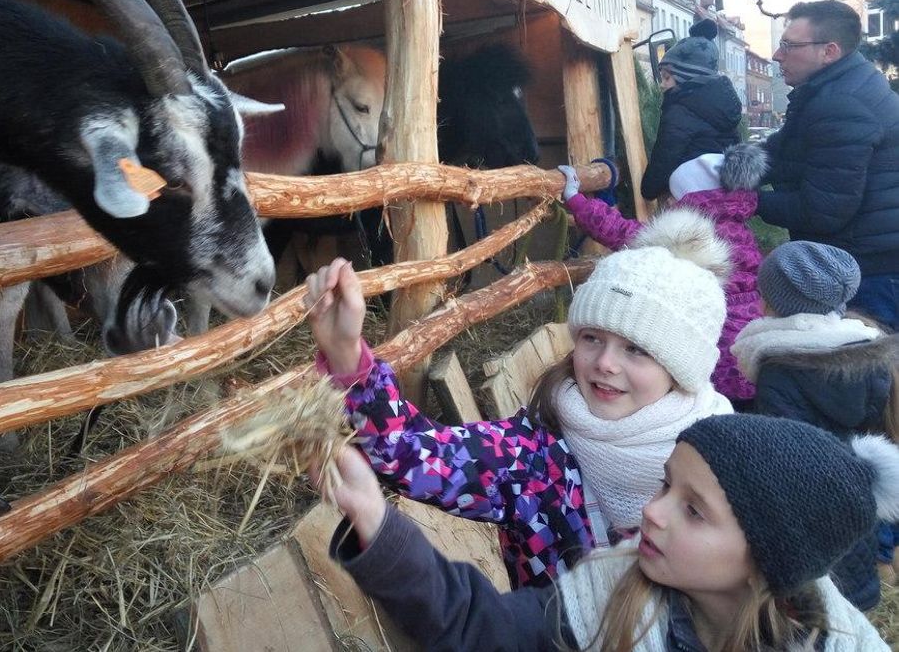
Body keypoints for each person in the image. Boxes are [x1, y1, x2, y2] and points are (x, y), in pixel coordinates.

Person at [303, 215, 733, 588]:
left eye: (635, 349)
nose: (605, 363)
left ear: (682, 369)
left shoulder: (724, 464)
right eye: (591, 338)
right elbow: (412, 450)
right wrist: (346, 354)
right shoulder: (531, 460)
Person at [316, 413, 895, 651]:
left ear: (767, 558)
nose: (654, 513)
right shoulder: (610, 595)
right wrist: (381, 527)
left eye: (694, 511)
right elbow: (479, 627)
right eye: (666, 487)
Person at [734, 240, 899, 609]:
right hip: (864, 510)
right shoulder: (870, 347)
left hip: (817, 532)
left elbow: (785, 459)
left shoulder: (779, 368)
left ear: (774, 302)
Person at [559, 143, 765, 404]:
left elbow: (622, 232)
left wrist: (577, 200)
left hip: (717, 349)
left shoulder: (687, 236)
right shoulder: (740, 231)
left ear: (690, 198)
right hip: (750, 345)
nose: (668, 202)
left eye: (674, 197)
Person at [759, 0, 899, 328]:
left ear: (829, 52)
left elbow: (822, 210)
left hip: (870, 272)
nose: (778, 55)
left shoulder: (840, 102)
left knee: (870, 371)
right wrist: (732, 167)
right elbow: (785, 155)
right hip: (872, 260)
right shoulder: (836, 89)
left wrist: (746, 201)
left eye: (789, 45)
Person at [640, 19, 742, 201]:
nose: (662, 85)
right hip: (722, 196)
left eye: (666, 77)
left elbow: (665, 156)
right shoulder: (722, 105)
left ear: (685, 77)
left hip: (690, 197)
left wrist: (648, 189)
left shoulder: (680, 110)